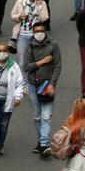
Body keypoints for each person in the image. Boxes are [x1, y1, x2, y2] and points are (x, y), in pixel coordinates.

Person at [22, 22, 62, 157]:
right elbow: (26, 67)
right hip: (33, 85)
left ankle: (44, 144)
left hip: (47, 86)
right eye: (36, 31)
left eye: (41, 31)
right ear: (33, 32)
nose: (39, 33)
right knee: (37, 116)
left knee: (46, 116)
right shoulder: (29, 47)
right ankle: (41, 142)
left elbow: (57, 66)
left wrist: (52, 84)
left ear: (45, 32)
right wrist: (42, 62)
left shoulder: (53, 46)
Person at [9, 0, 48, 67]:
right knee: (22, 62)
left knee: (35, 61)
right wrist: (19, 16)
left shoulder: (42, 3)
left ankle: (32, 79)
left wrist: (39, 5)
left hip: (36, 36)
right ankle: (24, 80)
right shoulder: (21, 1)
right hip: (22, 35)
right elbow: (12, 16)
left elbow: (44, 18)